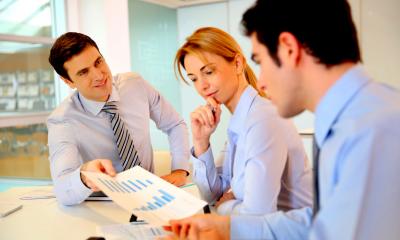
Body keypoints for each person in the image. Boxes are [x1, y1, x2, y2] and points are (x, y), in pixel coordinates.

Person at [164, 0, 400, 239]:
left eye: (260, 61)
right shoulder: (350, 120)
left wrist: (225, 212)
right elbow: (322, 221)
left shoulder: (372, 130)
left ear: (289, 48)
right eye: (193, 78)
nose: (262, 81)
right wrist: (225, 226)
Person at [174, 27, 312, 216]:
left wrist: (225, 206)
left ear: (238, 64)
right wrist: (200, 142)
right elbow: (214, 194)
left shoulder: (262, 119)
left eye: (208, 72)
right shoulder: (240, 121)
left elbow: (256, 216)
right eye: (194, 79)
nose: (202, 86)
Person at [47, 32, 190, 206]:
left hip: (151, 199)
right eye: (84, 72)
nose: (99, 76)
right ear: (68, 81)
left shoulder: (135, 84)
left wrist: (180, 170)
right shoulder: (62, 121)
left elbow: (175, 124)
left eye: (98, 62)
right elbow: (63, 189)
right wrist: (84, 176)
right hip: (105, 204)